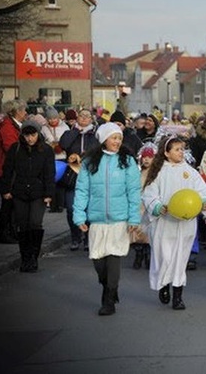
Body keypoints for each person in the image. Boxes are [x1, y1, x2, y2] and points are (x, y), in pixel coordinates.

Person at [72, 122, 142, 316]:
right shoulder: (89, 162)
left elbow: (134, 192)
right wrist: (79, 216)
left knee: (113, 259)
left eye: (119, 138)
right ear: (104, 139)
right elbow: (82, 190)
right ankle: (108, 285)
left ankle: (108, 298)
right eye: (114, 138)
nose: (117, 141)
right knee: (98, 260)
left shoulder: (127, 161)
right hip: (97, 219)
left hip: (119, 219)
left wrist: (134, 219)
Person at [141, 135, 206, 310]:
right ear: (166, 152)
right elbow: (149, 194)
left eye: (182, 149)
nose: (181, 152)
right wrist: (157, 206)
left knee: (181, 259)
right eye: (177, 149)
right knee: (165, 257)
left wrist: (199, 201)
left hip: (186, 223)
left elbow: (204, 192)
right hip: (165, 223)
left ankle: (178, 296)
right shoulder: (158, 172)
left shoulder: (190, 171)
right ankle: (164, 285)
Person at [0, 119, 55, 272]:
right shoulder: (15, 149)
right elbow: (7, 171)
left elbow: (50, 173)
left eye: (33, 134)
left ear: (38, 134)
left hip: (38, 193)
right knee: (22, 225)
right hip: (20, 192)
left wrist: (49, 193)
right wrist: (5, 190)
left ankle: (34, 257)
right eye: (26, 135)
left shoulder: (46, 150)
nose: (30, 138)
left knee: (35, 223)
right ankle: (25, 258)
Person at [59, 108, 100, 251]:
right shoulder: (69, 133)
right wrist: (76, 131)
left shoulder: (95, 135)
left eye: (87, 116)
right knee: (71, 208)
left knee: (89, 208)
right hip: (72, 176)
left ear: (91, 119)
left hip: (90, 175)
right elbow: (64, 145)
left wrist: (86, 154)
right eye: (81, 116)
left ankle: (88, 237)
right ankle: (75, 236)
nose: (84, 119)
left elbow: (98, 151)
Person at [0, 98, 28, 244]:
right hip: (5, 171)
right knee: (7, 205)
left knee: (12, 205)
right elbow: (11, 148)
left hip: (10, 170)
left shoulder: (14, 125)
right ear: (17, 112)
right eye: (23, 110)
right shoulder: (8, 127)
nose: (25, 113)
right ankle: (5, 234)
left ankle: (11, 232)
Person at [131, 143, 157, 270]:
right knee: (138, 231)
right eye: (144, 157)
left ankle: (148, 255)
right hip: (138, 206)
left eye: (150, 157)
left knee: (149, 231)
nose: (146, 159)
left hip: (150, 206)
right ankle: (138, 254)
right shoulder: (137, 172)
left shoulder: (157, 175)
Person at [40, 106, 70, 213]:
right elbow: (42, 143)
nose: (52, 120)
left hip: (62, 157)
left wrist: (61, 146)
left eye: (54, 118)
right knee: (51, 182)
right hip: (50, 158)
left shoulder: (65, 127)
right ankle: (53, 205)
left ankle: (61, 205)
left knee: (61, 183)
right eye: (50, 119)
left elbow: (68, 141)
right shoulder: (43, 128)